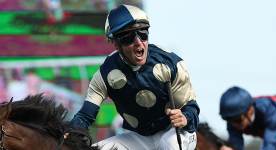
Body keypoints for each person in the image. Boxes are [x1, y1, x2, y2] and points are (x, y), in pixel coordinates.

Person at [70, 4, 200, 150]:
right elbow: (86, 115)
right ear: (116, 44)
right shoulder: (104, 75)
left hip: (175, 132)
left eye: (143, 33)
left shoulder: (172, 64)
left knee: (169, 145)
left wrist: (184, 118)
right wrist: (69, 133)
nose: (139, 42)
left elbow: (192, 108)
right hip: (139, 136)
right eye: (128, 37)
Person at [219, 86, 276, 150]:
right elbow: (236, 145)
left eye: (237, 120)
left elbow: (269, 145)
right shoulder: (234, 118)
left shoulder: (270, 113)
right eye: (228, 120)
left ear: (250, 111)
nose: (234, 125)